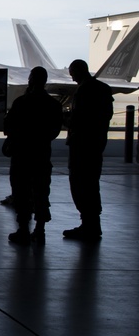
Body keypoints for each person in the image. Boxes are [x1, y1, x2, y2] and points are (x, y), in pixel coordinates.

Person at [3, 67, 64, 245]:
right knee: (41, 191)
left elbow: (9, 126)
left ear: (30, 80)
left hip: (22, 155)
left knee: (21, 192)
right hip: (41, 154)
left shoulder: (21, 102)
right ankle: (40, 229)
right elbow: (54, 131)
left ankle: (23, 229)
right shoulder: (53, 105)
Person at [63, 59, 114, 241]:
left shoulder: (84, 91)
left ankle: (89, 225)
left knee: (80, 184)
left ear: (78, 71)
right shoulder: (103, 89)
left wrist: (65, 119)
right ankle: (92, 225)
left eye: (72, 73)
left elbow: (79, 120)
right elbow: (106, 116)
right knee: (92, 184)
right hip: (96, 144)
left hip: (81, 146)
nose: (72, 77)